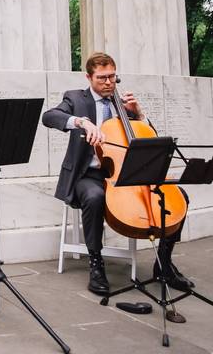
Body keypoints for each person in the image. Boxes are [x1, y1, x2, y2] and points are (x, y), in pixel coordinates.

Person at [42, 51, 194, 295]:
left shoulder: (123, 104)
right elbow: (49, 117)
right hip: (89, 175)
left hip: (127, 175)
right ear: (89, 77)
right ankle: (96, 264)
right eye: (102, 78)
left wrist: (140, 113)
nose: (108, 83)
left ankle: (164, 264)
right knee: (94, 198)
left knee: (179, 197)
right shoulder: (75, 99)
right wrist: (81, 122)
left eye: (112, 76)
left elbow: (151, 139)